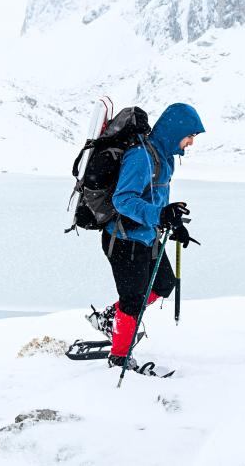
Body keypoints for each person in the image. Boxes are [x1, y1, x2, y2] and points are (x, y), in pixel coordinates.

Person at [87, 103, 205, 370]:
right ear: (176, 131)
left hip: (146, 237)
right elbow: (123, 200)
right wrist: (160, 215)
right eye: (190, 136)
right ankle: (118, 359)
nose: (190, 143)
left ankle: (109, 319)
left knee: (164, 284)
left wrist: (172, 222)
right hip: (124, 239)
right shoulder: (140, 156)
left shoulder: (165, 158)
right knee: (133, 301)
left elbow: (155, 197)